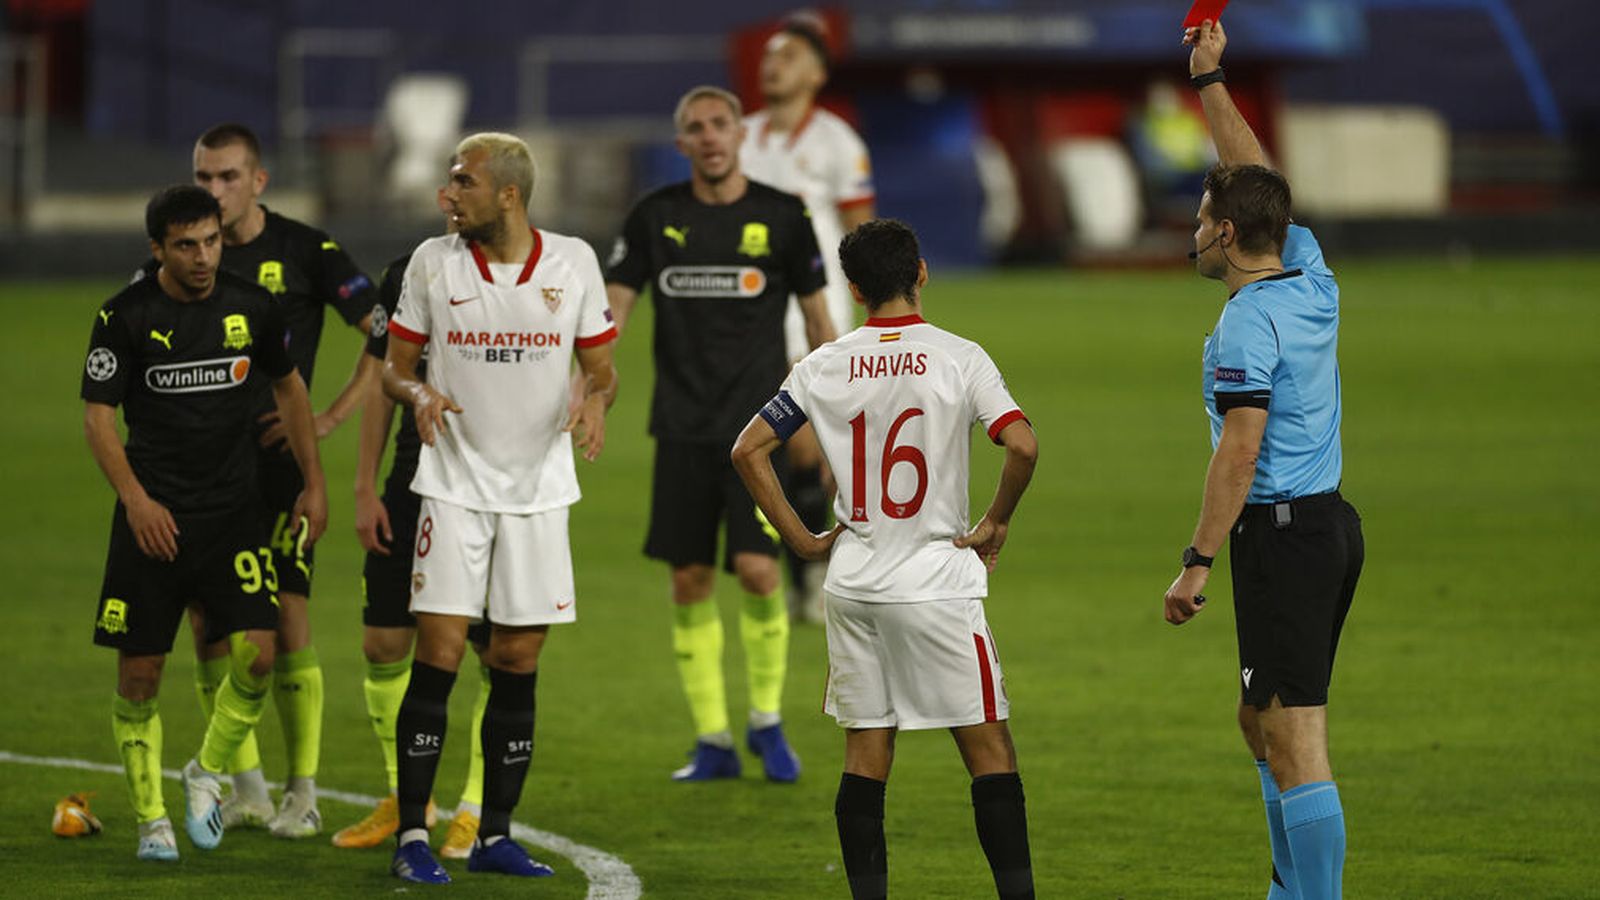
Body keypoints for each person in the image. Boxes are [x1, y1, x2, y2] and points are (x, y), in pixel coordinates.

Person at [731, 218, 1038, 900]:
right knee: (990, 754)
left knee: (867, 755)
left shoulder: (823, 363)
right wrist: (996, 521)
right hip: (936, 583)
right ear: (921, 273)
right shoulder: (959, 356)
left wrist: (802, 540)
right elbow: (1021, 444)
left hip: (854, 584)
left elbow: (748, 449)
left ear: (855, 289)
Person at [1162, 20, 1364, 900]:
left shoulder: (1247, 323)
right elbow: (1259, 187)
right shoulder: (1309, 275)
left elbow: (1240, 450)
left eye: (1202, 221)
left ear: (1227, 234)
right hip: (1327, 527)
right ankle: (1289, 888)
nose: (1194, 233)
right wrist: (1210, 80)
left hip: (1281, 536)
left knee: (1295, 740)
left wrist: (1196, 561)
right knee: (1259, 719)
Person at [382, 132, 618, 884]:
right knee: (440, 653)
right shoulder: (433, 262)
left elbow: (602, 369)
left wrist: (595, 401)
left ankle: (495, 836)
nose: (448, 195)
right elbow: (394, 369)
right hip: (453, 486)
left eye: (463, 182)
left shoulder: (573, 262)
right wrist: (419, 392)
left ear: (508, 195)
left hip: (540, 493)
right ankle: (412, 838)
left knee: (516, 659)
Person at [82, 186, 328, 861]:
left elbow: (290, 387)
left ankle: (205, 771)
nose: (202, 258)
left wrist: (313, 482)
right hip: (153, 521)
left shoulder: (253, 306)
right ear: (158, 248)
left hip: (233, 516)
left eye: (212, 241)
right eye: (186, 245)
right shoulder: (124, 316)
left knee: (260, 654)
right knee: (140, 676)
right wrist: (136, 501)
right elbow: (98, 419)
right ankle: (152, 822)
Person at [605, 85, 836, 783]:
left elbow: (819, 323)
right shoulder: (654, 216)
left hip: (758, 433)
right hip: (680, 428)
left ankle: (766, 722)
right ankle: (712, 739)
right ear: (682, 144)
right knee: (689, 579)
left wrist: (836, 419)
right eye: (695, 128)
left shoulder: (784, 215)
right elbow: (612, 312)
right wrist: (592, 380)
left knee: (761, 572)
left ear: (741, 135)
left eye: (719, 124)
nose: (709, 137)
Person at [183, 122, 380, 837]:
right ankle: (249, 791)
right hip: (202, 470)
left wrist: (328, 419)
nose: (214, 191)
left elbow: (386, 332)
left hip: (278, 469)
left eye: (228, 176)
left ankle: (304, 792)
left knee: (287, 611)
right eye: (204, 177)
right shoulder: (183, 255)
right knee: (208, 621)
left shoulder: (306, 250)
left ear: (258, 181)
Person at [331, 185, 491, 857]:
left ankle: (477, 807)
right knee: (383, 643)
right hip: (412, 477)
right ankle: (408, 796)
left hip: (489, 489)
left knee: (494, 651)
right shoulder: (410, 271)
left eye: (468, 184)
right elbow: (381, 381)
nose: (451, 196)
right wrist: (365, 487)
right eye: (450, 184)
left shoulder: (540, 273)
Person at [740, 16, 877, 622]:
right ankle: (790, 570)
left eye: (790, 55)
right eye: (770, 54)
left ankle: (811, 574)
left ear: (818, 73)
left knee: (802, 445)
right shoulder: (739, 139)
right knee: (756, 443)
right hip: (743, 313)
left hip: (812, 310)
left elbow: (862, 234)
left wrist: (871, 315)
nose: (775, 64)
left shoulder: (838, 143)